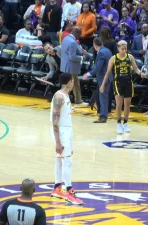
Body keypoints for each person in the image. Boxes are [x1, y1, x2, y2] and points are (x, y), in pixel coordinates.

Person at [50, 72, 83, 205]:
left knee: (59, 160)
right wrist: (58, 141)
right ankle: (69, 191)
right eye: (73, 80)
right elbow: (55, 119)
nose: (74, 82)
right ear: (69, 82)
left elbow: (61, 114)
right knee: (67, 162)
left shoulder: (65, 95)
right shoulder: (59, 96)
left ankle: (57, 188)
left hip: (66, 130)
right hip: (61, 132)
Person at [99, 40, 145, 134]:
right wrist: (103, 84)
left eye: (125, 49)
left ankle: (125, 123)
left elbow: (136, 69)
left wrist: (141, 73)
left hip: (128, 82)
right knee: (119, 104)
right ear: (118, 48)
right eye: (122, 49)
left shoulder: (130, 57)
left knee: (127, 104)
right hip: (117, 82)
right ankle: (119, 123)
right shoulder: (113, 58)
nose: (124, 51)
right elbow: (108, 72)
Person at [82, 38, 113, 123]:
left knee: (103, 97)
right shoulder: (107, 50)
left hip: (103, 78)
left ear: (95, 46)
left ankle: (103, 117)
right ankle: (104, 115)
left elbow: (98, 67)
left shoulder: (101, 53)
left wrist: (88, 74)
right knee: (105, 97)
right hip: (109, 76)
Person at [60, 26, 87, 107]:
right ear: (77, 33)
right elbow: (72, 57)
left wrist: (80, 50)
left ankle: (63, 100)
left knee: (66, 84)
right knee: (75, 84)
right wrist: (82, 57)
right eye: (79, 34)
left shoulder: (65, 39)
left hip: (65, 65)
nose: (80, 36)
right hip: (71, 67)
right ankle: (78, 101)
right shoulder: (73, 42)